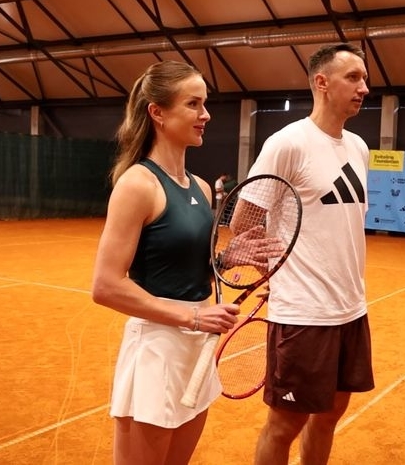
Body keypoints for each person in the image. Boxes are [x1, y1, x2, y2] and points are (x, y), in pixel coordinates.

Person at [90, 60, 273, 465]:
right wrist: (191, 318)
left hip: (196, 345)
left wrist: (223, 260)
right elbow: (105, 286)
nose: (206, 115)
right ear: (158, 112)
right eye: (193, 104)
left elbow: (185, 263)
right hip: (157, 347)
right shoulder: (137, 184)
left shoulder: (201, 187)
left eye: (204, 104)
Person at [240, 43, 375, 465]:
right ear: (322, 83)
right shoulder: (288, 143)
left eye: (364, 78)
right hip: (303, 315)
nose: (364, 88)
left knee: (330, 415)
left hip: (350, 309)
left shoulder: (359, 147)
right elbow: (244, 220)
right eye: (353, 77)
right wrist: (275, 274)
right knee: (284, 426)